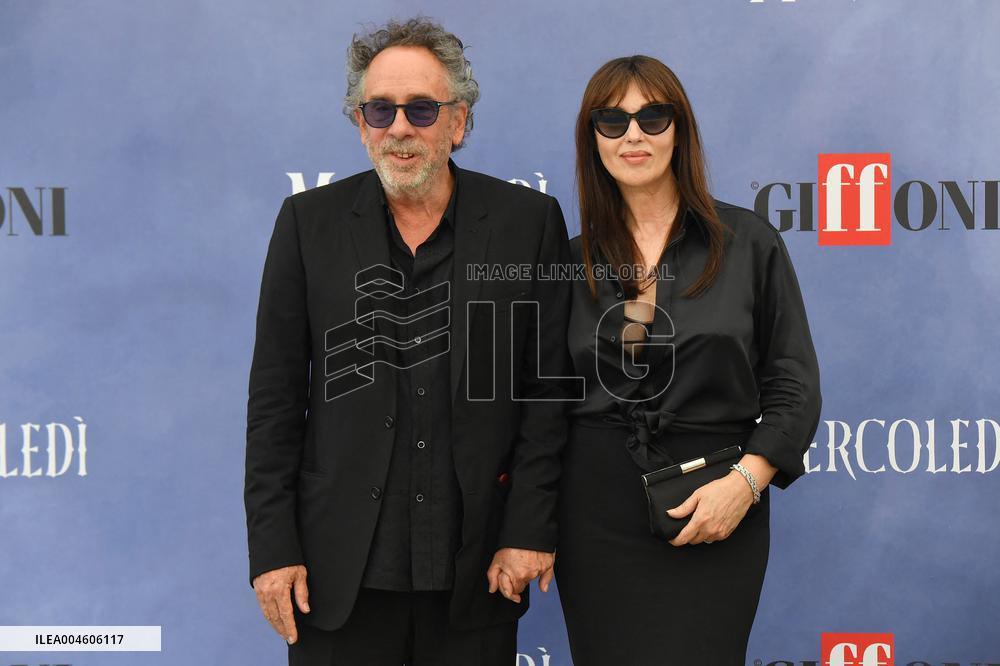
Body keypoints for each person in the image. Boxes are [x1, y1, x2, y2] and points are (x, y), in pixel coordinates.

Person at [244, 17, 571, 665]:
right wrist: (273, 550)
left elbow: (547, 392)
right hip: (337, 576)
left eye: (421, 109)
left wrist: (529, 528)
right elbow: (275, 401)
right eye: (380, 110)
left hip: (478, 572)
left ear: (458, 122)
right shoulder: (308, 224)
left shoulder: (527, 223)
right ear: (360, 123)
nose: (399, 128)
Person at [555, 55, 823, 664]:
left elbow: (794, 384)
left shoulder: (748, 243)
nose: (633, 135)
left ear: (680, 130)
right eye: (612, 120)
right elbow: (544, 405)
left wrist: (746, 484)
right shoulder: (569, 262)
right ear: (592, 138)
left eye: (653, 116)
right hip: (593, 515)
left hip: (718, 497)